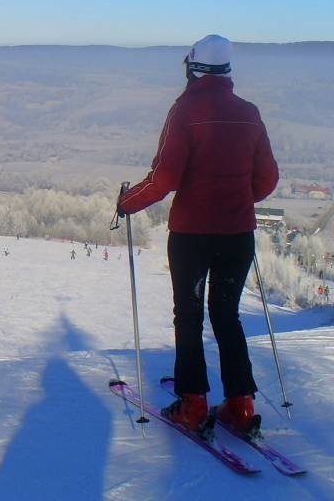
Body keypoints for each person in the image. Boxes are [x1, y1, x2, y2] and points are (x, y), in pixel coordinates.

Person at [117, 35, 279, 434]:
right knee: (226, 315)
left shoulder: (185, 110)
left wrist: (127, 202)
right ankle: (241, 406)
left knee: (188, 316)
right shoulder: (250, 112)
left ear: (192, 67)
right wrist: (237, 201)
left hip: (192, 234)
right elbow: (268, 179)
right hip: (238, 234)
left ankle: (192, 404)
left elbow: (165, 177)